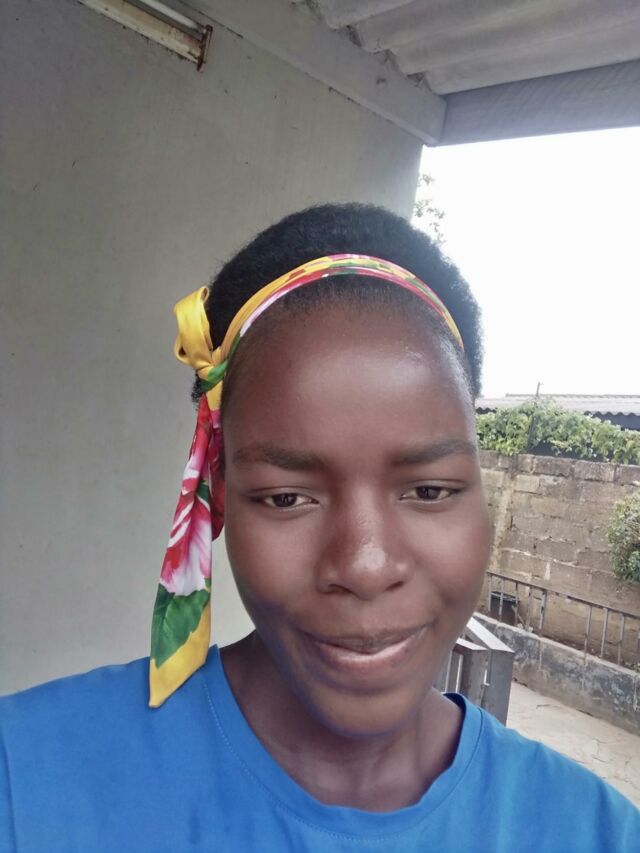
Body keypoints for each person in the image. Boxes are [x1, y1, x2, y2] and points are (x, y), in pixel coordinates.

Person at [0, 204, 638, 852]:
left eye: (428, 490)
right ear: (218, 494)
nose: (365, 566)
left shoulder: (597, 832)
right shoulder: (26, 784)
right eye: (286, 498)